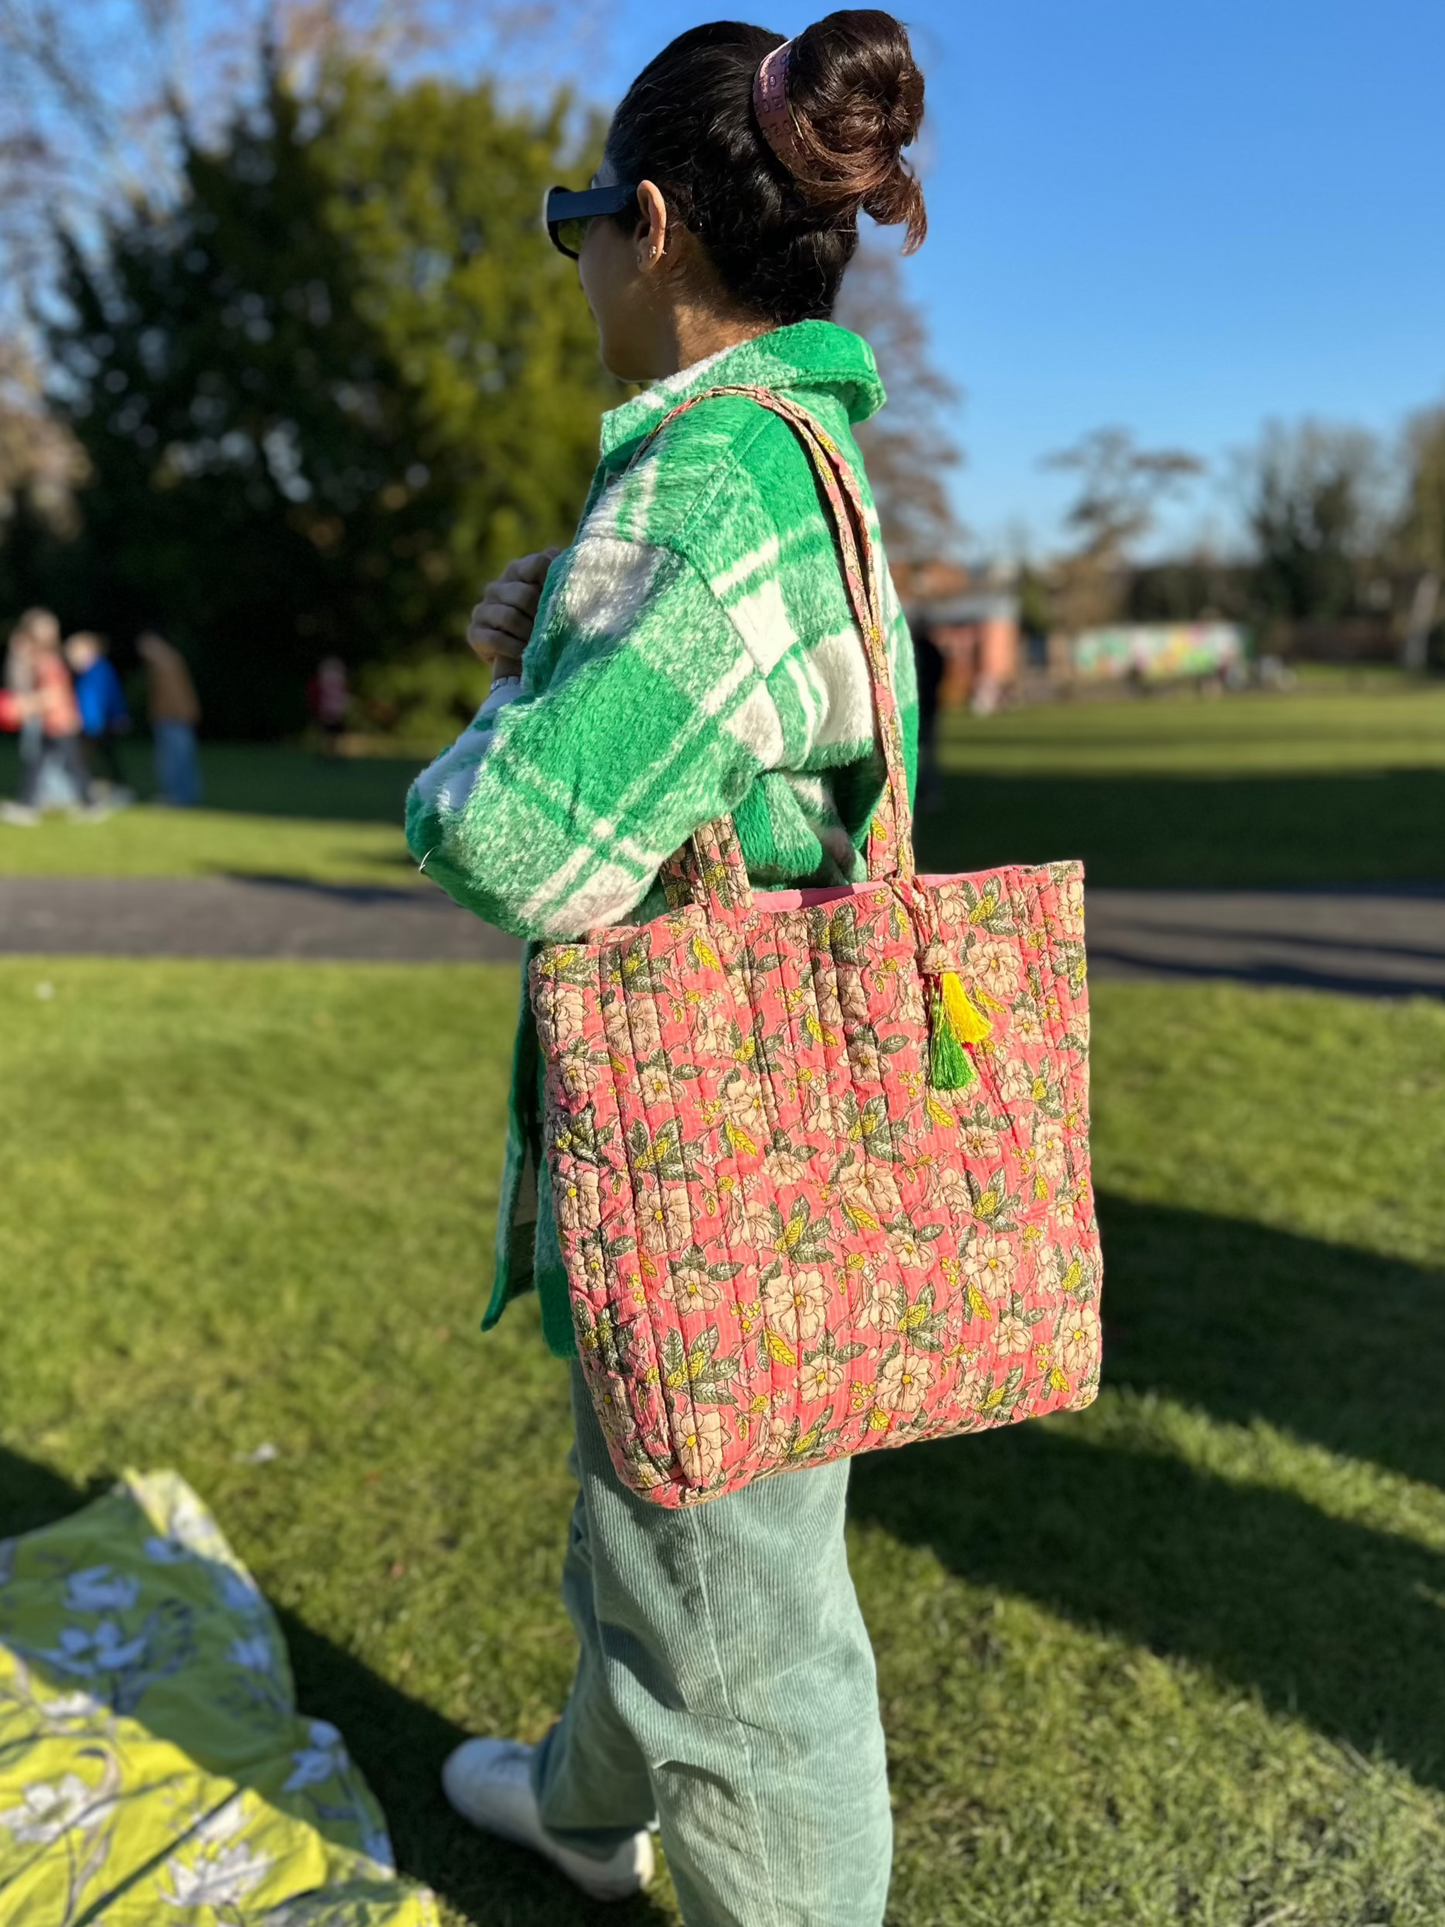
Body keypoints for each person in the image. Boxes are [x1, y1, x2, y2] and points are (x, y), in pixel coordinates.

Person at [407, 14, 927, 1923]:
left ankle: (666, 1821)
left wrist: (483, 738)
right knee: (668, 1514)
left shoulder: (704, 487)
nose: (585, 280)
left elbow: (519, 843)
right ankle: (579, 1794)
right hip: (796, 1126)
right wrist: (562, 629)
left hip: (721, 1156)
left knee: (749, 1645)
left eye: (583, 239)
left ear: (649, 227)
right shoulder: (815, 455)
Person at [137, 630, 202, 806]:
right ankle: (187, 795)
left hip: (171, 718)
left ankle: (177, 796)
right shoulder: (172, 659)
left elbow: (171, 695)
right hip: (178, 717)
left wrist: (161, 714)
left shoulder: (162, 663)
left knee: (172, 760)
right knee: (182, 758)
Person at [64, 631, 133, 798]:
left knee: (88, 758)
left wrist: (118, 716)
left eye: (74, 651)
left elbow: (106, 698)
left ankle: (112, 790)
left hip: (96, 724)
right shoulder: (88, 672)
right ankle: (99, 789)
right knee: (97, 757)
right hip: (92, 723)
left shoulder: (98, 671)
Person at [2, 609, 54, 824]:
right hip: (30, 707)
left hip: (39, 708)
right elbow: (20, 682)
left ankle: (31, 801)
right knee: (34, 755)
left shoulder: (38, 650)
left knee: (39, 756)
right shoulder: (23, 646)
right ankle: (29, 802)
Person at [306, 654, 351, 750]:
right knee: (331, 732)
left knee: (330, 732)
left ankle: (330, 751)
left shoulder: (328, 681)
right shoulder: (336, 681)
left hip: (328, 710)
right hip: (331, 710)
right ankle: (330, 751)